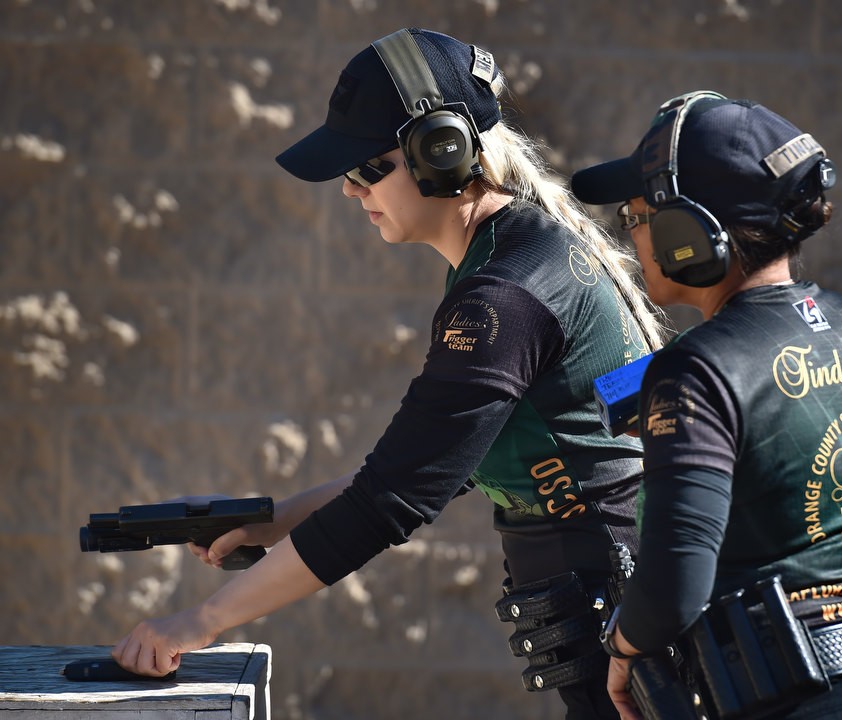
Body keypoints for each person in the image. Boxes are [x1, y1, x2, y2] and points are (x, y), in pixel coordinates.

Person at [110, 27, 668, 720]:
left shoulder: (504, 297)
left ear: (442, 151)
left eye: (367, 168)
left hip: (624, 628)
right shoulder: (530, 256)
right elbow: (456, 459)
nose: (350, 191)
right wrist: (275, 522)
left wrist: (199, 623)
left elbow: (392, 499)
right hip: (626, 608)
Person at [570, 91, 842, 719]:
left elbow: (675, 582)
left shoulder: (695, 369)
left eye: (637, 214)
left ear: (689, 232)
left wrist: (621, 651)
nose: (632, 233)